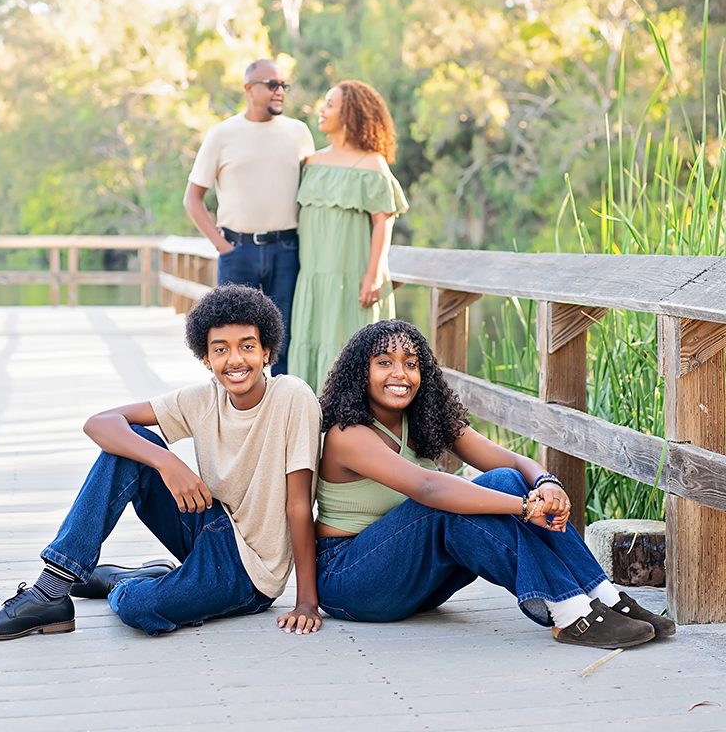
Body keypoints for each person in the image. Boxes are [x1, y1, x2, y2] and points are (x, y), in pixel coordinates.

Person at [0, 285, 322, 640]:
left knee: (137, 607)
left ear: (267, 352)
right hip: (208, 523)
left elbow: (298, 505)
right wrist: (166, 461)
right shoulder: (203, 399)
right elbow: (100, 423)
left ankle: (124, 581)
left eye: (247, 346)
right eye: (220, 349)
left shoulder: (291, 397)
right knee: (129, 444)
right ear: (206, 359)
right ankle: (50, 590)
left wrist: (306, 601)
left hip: (249, 572)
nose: (235, 359)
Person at [314, 319, 676, 649]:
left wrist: (546, 483)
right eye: (384, 363)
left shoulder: (424, 418)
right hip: (351, 580)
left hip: (413, 582)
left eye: (411, 364)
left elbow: (512, 463)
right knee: (446, 507)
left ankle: (604, 595)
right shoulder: (349, 434)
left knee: (505, 479)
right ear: (360, 372)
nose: (401, 374)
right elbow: (428, 488)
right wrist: (525, 507)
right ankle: (569, 611)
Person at [183, 59, 314, 375]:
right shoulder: (222, 134)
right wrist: (222, 246)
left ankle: (282, 402)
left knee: (284, 338)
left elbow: (313, 193)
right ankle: (235, 403)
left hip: (287, 249)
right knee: (233, 337)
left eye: (283, 85)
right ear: (249, 89)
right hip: (238, 250)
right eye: (272, 85)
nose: (279, 91)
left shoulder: (299, 132)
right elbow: (192, 199)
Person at [288, 80, 408, 391]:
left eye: (330, 104)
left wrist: (374, 275)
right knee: (312, 351)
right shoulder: (311, 163)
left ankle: (354, 422)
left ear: (350, 113)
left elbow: (383, 222)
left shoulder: (372, 164)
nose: (322, 110)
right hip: (313, 280)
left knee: (351, 353)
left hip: (353, 281)